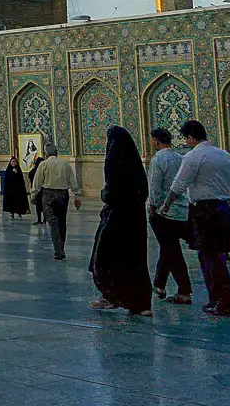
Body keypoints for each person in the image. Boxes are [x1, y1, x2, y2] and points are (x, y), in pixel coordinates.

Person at [161, 119, 230, 318]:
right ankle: (220, 300)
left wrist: (166, 204)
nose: (186, 142)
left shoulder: (193, 157)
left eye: (186, 138)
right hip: (223, 207)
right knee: (217, 255)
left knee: (210, 257)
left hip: (205, 211)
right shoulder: (224, 155)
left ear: (191, 137)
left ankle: (223, 303)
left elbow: (179, 185)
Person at [88, 126, 153, 317]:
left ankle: (112, 296)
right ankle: (140, 303)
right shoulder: (135, 167)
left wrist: (106, 195)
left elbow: (112, 190)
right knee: (134, 261)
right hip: (135, 221)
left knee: (106, 257)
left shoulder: (115, 163)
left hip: (117, 219)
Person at [146, 127, 193, 305]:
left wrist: (152, 207)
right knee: (168, 248)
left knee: (172, 251)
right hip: (182, 210)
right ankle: (159, 285)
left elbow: (155, 188)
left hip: (163, 213)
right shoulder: (180, 157)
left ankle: (184, 291)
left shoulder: (158, 160)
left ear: (156, 140)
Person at [30, 142, 82, 260]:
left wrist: (33, 196)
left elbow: (37, 183)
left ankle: (58, 251)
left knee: (53, 224)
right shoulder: (65, 164)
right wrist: (76, 195)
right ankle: (61, 248)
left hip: (48, 195)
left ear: (46, 153)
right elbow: (72, 181)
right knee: (62, 222)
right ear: (56, 152)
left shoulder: (43, 164)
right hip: (63, 195)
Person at [27, 156, 45, 225]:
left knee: (39, 206)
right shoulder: (41, 170)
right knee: (42, 206)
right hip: (42, 190)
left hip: (37, 190)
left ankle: (40, 220)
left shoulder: (33, 171)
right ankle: (43, 220)